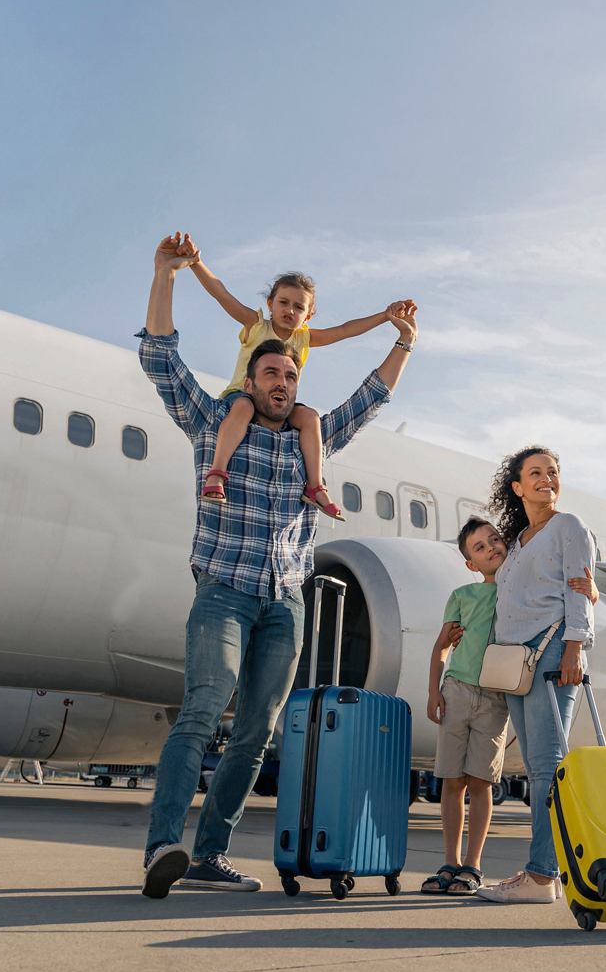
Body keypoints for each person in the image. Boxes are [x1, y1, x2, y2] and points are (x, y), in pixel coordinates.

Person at [137, 231, 418, 899]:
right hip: (224, 593)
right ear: (250, 377)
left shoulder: (307, 444)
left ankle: (210, 854)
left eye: (291, 374)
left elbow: (369, 397)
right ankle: (163, 844)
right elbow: (160, 357)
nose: (283, 381)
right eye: (271, 373)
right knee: (204, 707)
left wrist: (401, 339)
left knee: (258, 730)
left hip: (284, 604)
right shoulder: (215, 424)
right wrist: (165, 276)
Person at [422, 517, 596, 896]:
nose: (491, 549)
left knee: (482, 782)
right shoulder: (462, 596)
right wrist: (434, 693)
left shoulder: (519, 592)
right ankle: (449, 862)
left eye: (495, 540)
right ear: (471, 563)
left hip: (496, 696)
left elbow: (560, 598)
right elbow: (441, 646)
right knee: (452, 781)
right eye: (480, 548)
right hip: (457, 691)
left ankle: (473, 866)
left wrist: (591, 591)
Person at [188, 252, 409, 520]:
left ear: (309, 314)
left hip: (279, 404)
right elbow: (221, 294)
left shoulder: (305, 338)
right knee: (244, 407)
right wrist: (196, 262)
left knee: (310, 417)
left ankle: (315, 485)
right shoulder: (256, 326)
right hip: (243, 395)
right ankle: (217, 472)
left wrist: (385, 316)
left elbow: (345, 329)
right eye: (283, 302)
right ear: (270, 303)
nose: (289, 311)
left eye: (298, 307)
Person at [475, 447, 597, 904]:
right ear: (518, 487)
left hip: (551, 655)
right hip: (516, 663)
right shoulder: (521, 538)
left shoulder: (569, 527)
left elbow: (577, 587)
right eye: (535, 473)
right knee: (536, 768)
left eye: (553, 472)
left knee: (548, 768)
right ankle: (542, 874)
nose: (547, 479)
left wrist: (575, 647)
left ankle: (542, 876)